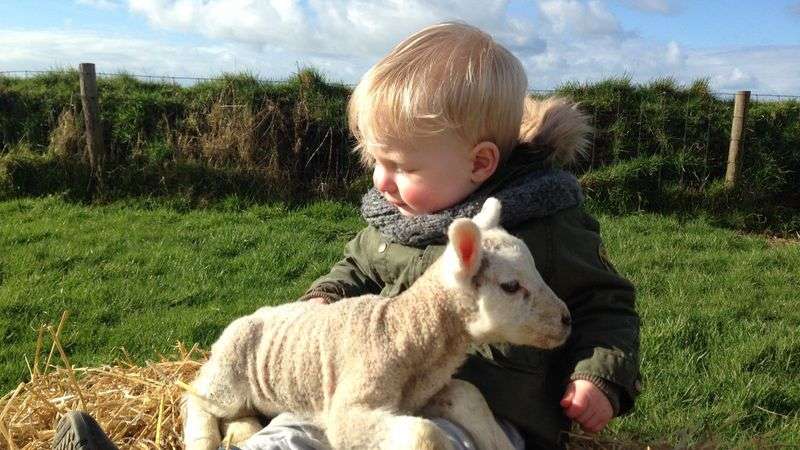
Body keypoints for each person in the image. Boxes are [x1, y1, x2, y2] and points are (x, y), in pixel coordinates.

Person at [54, 21, 640, 450]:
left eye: (402, 166)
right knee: (296, 428)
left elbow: (603, 303)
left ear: (480, 163)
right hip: (368, 383)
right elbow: (352, 272)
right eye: (374, 159)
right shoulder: (395, 222)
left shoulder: (543, 225)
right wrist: (318, 302)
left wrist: (599, 378)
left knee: (437, 440)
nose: (382, 181)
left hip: (490, 405)